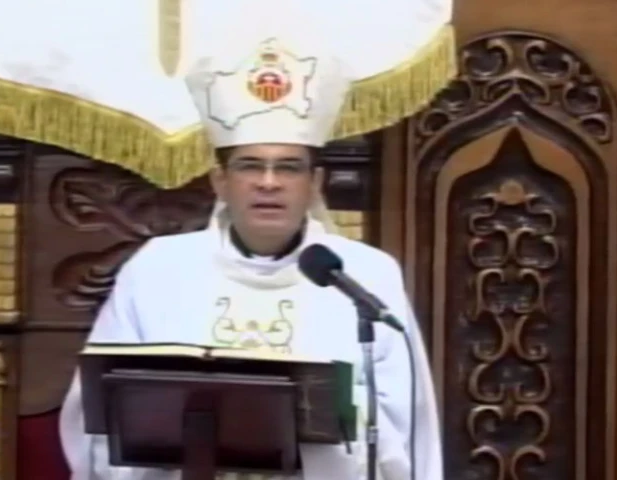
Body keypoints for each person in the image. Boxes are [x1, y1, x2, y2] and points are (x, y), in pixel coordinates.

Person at [59, 36, 443, 480]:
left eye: (288, 167)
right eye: (250, 165)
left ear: (315, 183)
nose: (269, 182)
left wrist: (337, 418)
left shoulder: (365, 276)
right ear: (220, 181)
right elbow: (96, 418)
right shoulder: (156, 271)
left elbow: (407, 424)